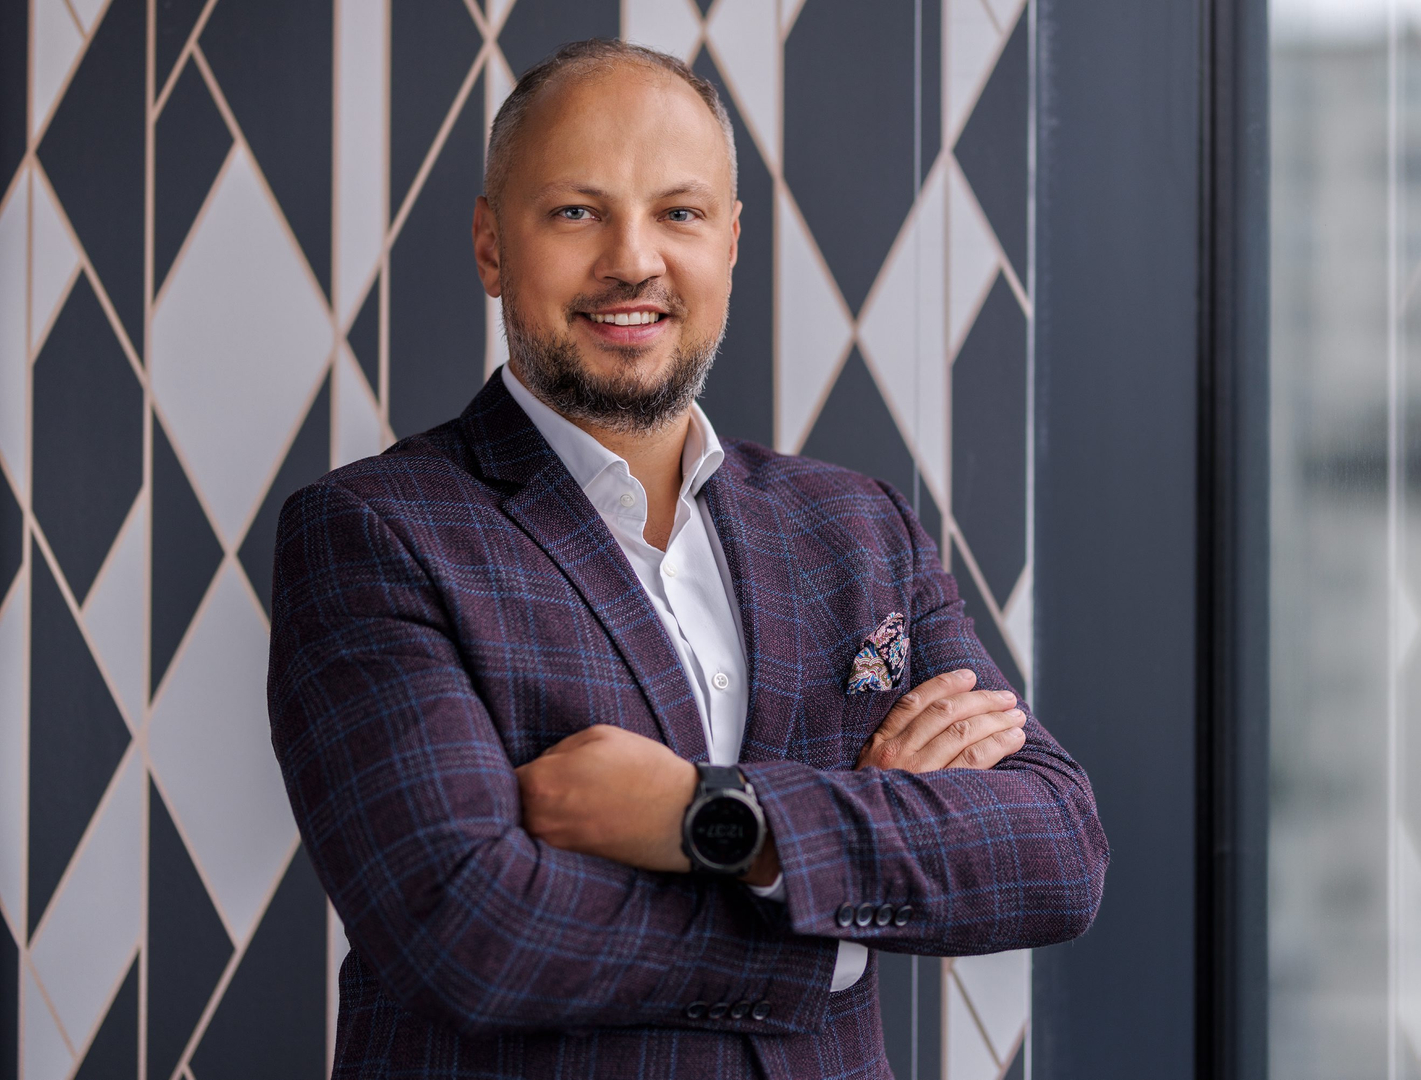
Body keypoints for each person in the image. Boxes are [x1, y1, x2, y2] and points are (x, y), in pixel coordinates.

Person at [267, 38, 1107, 1079]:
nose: (633, 260)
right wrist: (838, 925)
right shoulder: (373, 533)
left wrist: (706, 817)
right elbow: (470, 930)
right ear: (490, 245)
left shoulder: (856, 524)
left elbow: (1054, 851)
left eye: (679, 212)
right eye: (577, 212)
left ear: (730, 242)